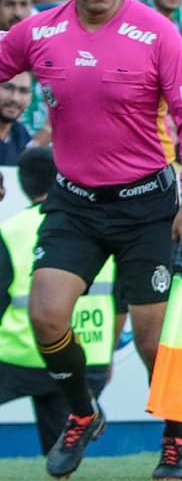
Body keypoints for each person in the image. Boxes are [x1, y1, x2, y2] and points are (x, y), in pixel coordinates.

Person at [0, 0, 182, 479]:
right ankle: (82, 413)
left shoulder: (158, 34)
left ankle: (175, 433)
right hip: (73, 203)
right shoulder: (38, 31)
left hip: (148, 206)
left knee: (149, 339)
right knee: (46, 316)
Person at [0, 149, 112, 455]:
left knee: (63, 445)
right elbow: (122, 298)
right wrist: (109, 355)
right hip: (88, 353)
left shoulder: (11, 230)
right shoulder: (100, 226)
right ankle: (86, 410)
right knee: (61, 454)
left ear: (23, 184)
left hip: (19, 353)